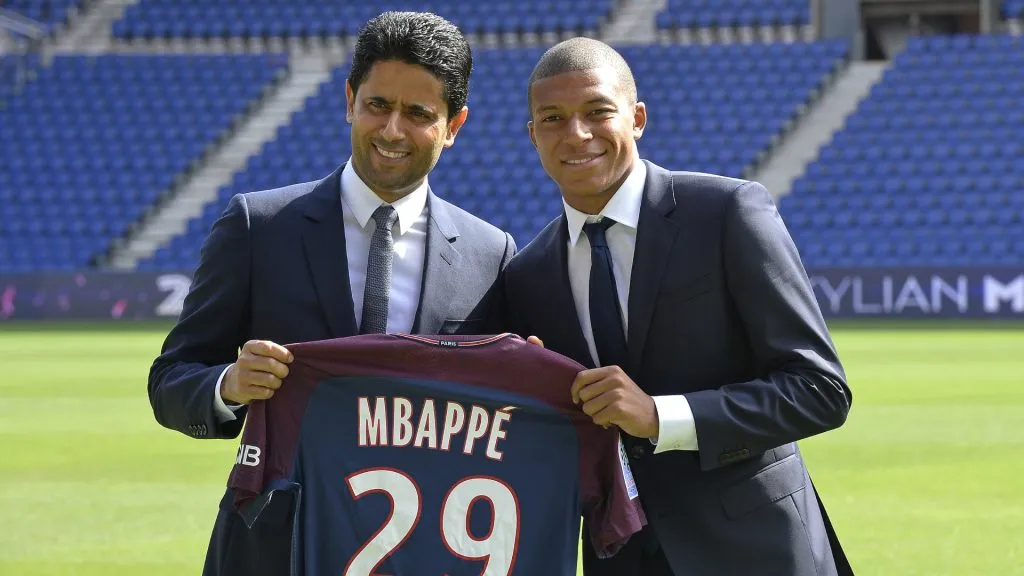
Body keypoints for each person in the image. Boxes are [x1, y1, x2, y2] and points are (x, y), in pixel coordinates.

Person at [147, 11, 516, 574]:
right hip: (274, 543)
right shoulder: (258, 226)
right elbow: (170, 381)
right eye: (377, 105)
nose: (392, 130)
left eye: (418, 114)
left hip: (425, 546)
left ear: (454, 124)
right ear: (349, 99)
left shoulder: (490, 255)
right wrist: (229, 385)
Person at [503, 37, 854, 576]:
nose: (576, 134)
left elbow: (819, 390)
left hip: (758, 552)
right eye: (552, 118)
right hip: (619, 557)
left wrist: (663, 417)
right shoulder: (527, 276)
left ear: (637, 118)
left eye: (598, 112)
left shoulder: (727, 213)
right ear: (533, 135)